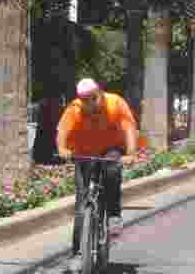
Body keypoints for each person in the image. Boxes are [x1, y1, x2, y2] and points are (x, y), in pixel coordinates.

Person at [57, 78, 138, 274]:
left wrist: (130, 153)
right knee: (81, 206)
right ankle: (78, 254)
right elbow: (62, 131)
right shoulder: (75, 109)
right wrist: (62, 149)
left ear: (100, 93)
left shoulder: (115, 103)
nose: (90, 103)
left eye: (93, 98)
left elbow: (128, 128)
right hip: (84, 152)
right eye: (85, 100)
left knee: (112, 169)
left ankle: (114, 215)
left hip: (110, 148)